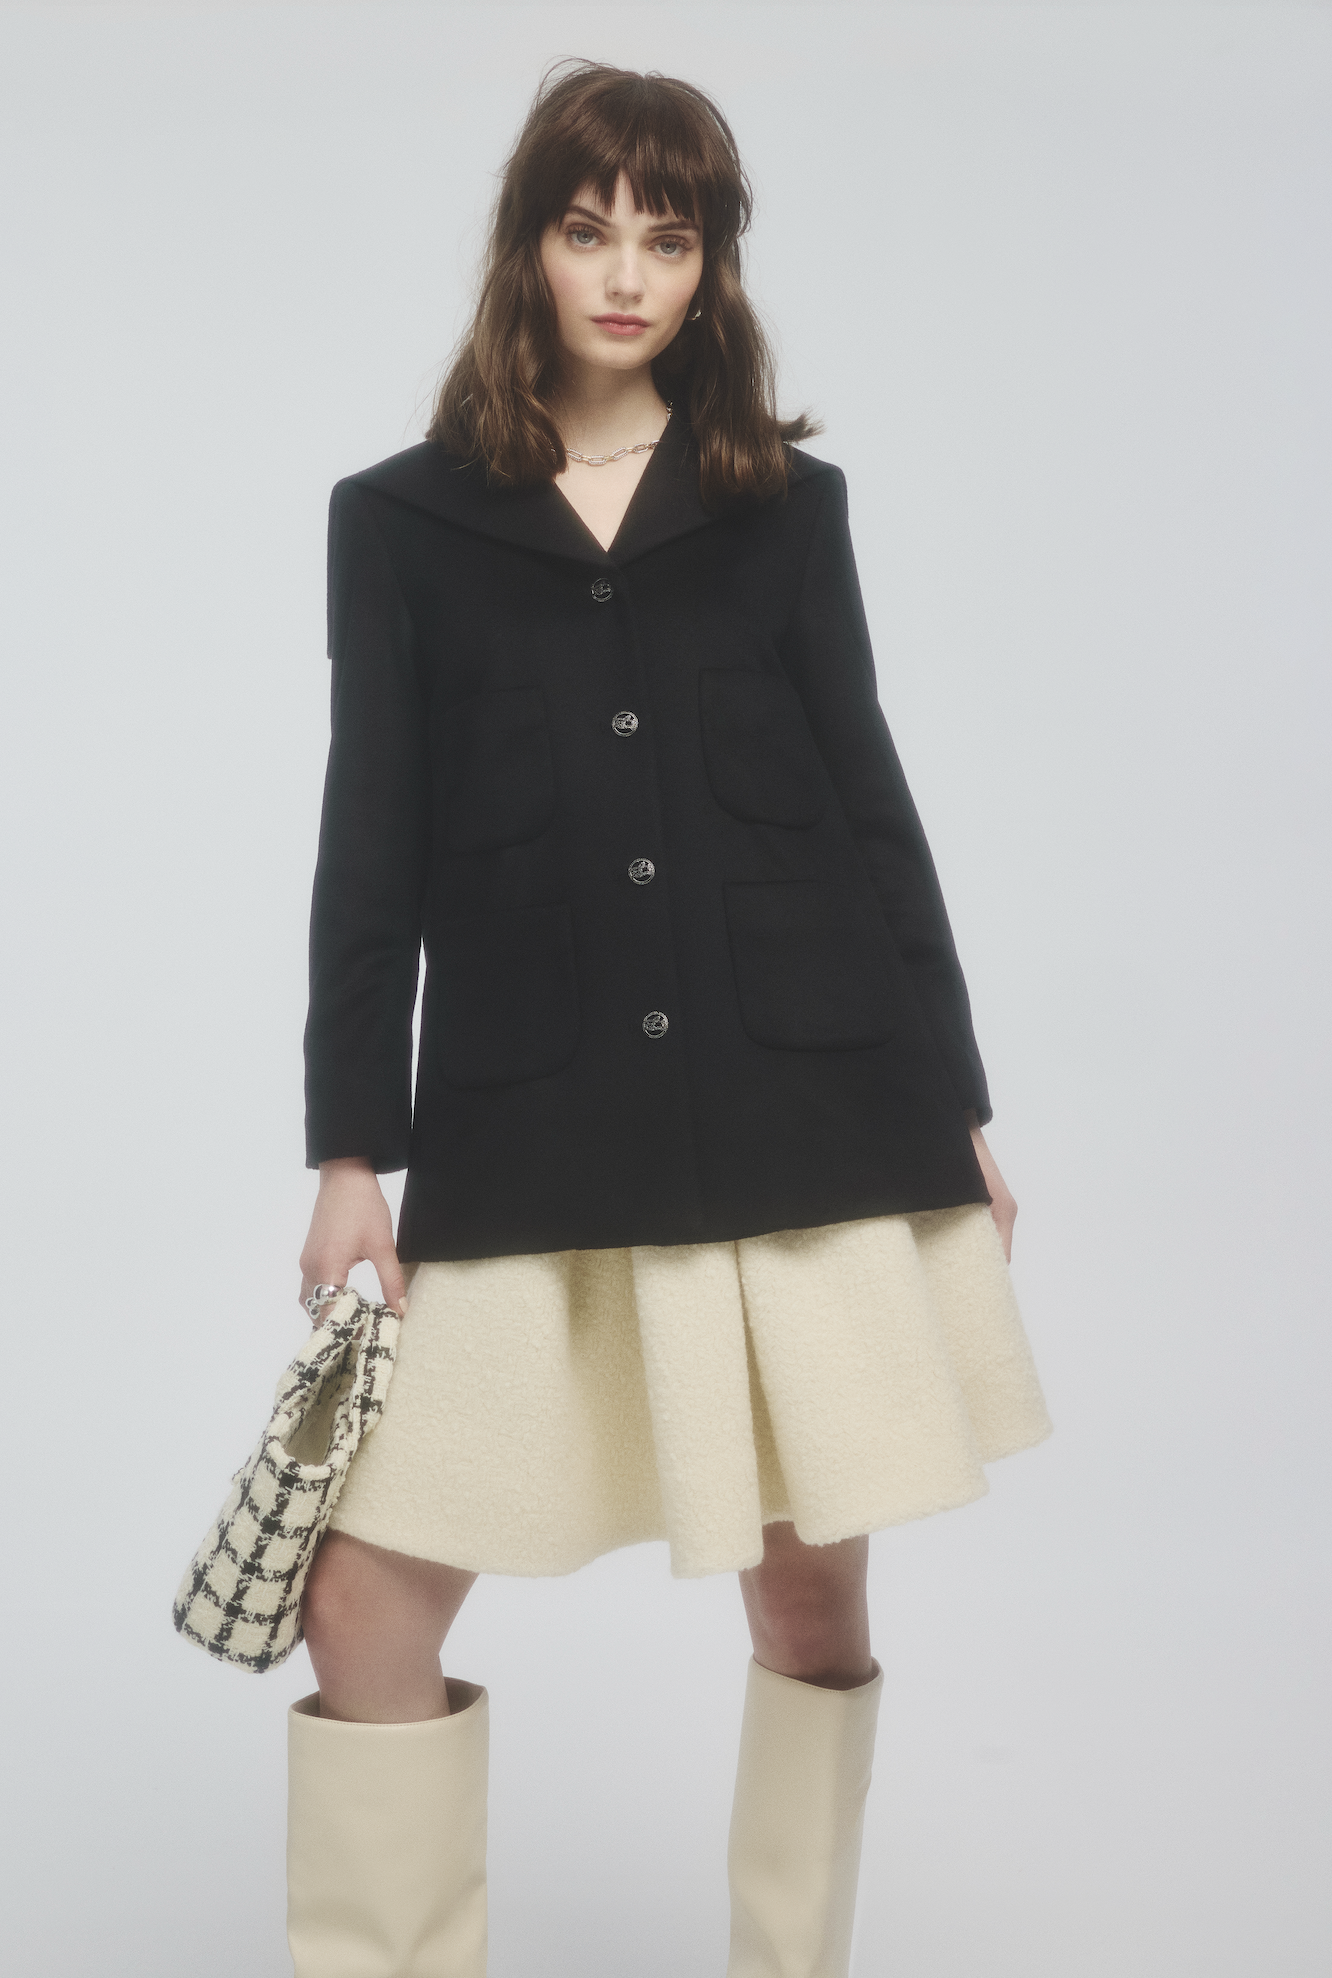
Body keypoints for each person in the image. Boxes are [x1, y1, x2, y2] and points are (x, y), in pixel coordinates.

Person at [285, 59, 1051, 1978]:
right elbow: (369, 847)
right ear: (528, 246)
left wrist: (957, 1103)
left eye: (669, 235)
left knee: (807, 1602)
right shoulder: (399, 523)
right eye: (587, 227)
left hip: (804, 1115)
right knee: (361, 1604)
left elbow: (868, 806)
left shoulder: (785, 507)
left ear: (711, 266)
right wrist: (350, 1149)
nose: (625, 273)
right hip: (526, 1127)